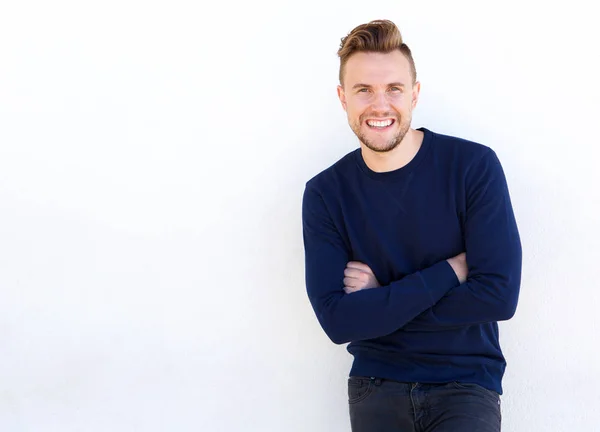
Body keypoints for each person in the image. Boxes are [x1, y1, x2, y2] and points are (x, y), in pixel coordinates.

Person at [301, 19, 522, 432]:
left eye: (394, 89)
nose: (379, 104)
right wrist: (451, 272)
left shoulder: (472, 168)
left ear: (415, 94)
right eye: (363, 89)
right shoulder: (325, 193)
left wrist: (380, 299)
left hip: (465, 384)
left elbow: (498, 295)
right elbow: (338, 321)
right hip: (375, 383)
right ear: (342, 98)